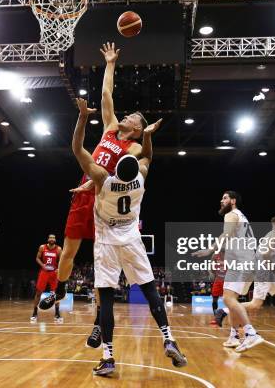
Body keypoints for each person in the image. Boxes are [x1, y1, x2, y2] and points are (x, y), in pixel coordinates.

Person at [39, 43, 150, 348]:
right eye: (127, 115)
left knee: (103, 271)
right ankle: (60, 290)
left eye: (133, 118)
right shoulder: (111, 129)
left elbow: (130, 177)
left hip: (106, 201)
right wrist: (111, 63)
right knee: (68, 252)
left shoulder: (136, 148)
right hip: (82, 195)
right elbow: (106, 96)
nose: (126, 116)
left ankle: (99, 326)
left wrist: (98, 182)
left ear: (138, 129)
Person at [72, 97, 184, 376]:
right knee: (148, 289)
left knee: (107, 299)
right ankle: (168, 338)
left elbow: (77, 148)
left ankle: (108, 357)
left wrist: (83, 117)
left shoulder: (101, 179)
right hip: (132, 239)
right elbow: (148, 157)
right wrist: (148, 138)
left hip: (107, 241)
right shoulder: (141, 177)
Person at [192, 191, 263, 352]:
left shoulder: (231, 214)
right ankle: (234, 336)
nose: (221, 200)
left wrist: (210, 250)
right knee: (232, 301)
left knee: (228, 299)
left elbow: (226, 234)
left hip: (242, 261)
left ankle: (251, 334)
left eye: (224, 198)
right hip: (250, 261)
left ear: (233, 201)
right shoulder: (241, 216)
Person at [212, 216, 275, 337]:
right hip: (263, 272)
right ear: (273, 224)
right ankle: (223, 311)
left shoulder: (272, 236)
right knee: (255, 304)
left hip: (265, 272)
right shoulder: (273, 237)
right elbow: (264, 255)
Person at [31, 234, 63, 324]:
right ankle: (34, 312)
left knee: (55, 294)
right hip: (44, 272)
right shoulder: (42, 247)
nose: (52, 239)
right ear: (48, 239)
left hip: (54, 273)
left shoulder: (59, 249)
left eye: (53, 238)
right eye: (50, 238)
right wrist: (42, 265)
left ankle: (57, 313)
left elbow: (62, 260)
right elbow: (37, 258)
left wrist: (59, 268)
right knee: (38, 292)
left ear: (55, 240)